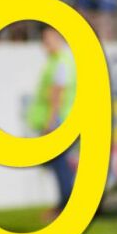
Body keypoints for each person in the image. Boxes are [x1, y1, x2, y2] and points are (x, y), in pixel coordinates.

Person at [26, 26, 77, 219]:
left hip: (58, 120)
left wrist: (51, 121)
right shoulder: (58, 61)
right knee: (58, 164)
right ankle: (65, 204)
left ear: (58, 39)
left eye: (48, 39)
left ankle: (66, 206)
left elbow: (57, 93)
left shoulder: (61, 62)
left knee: (59, 164)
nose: (45, 44)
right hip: (60, 119)